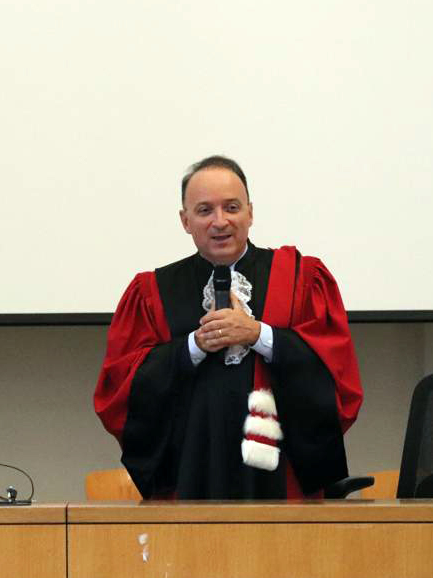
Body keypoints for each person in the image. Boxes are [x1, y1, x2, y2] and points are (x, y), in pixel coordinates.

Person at [94, 156, 362, 499]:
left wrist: (259, 336)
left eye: (231, 207)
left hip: (281, 479)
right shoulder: (151, 292)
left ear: (250, 212)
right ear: (185, 220)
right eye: (204, 210)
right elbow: (119, 393)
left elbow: (336, 376)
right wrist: (193, 346)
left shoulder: (301, 279)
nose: (220, 221)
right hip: (189, 475)